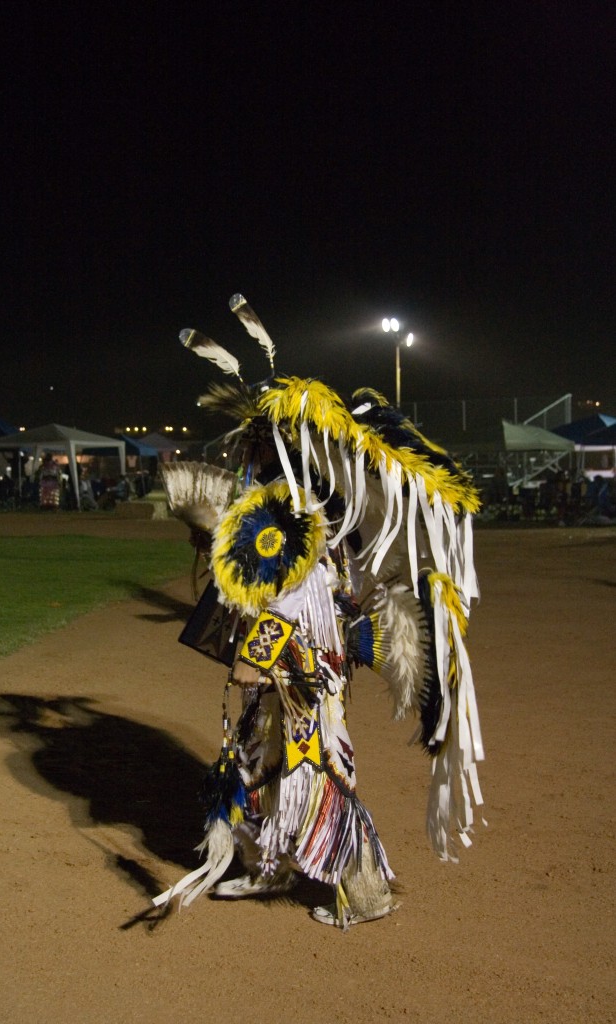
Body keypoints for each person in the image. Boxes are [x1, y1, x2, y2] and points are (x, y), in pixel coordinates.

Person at [152, 294, 484, 929]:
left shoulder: (297, 514)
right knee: (254, 763)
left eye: (255, 446)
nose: (247, 457)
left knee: (319, 772)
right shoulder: (288, 504)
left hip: (302, 671)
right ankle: (266, 864)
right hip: (291, 668)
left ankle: (366, 892)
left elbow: (290, 603)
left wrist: (252, 663)